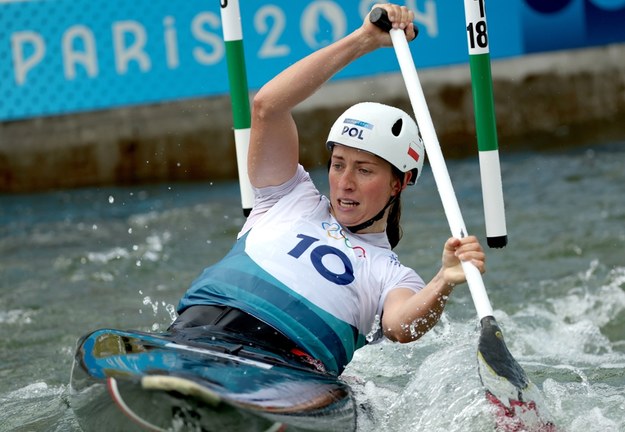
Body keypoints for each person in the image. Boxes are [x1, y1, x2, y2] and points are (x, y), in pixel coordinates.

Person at [171, 4, 486, 376]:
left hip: (287, 368)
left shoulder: (390, 274)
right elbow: (267, 106)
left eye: (364, 170)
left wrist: (444, 280)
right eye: (338, 165)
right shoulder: (286, 196)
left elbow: (401, 326)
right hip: (195, 332)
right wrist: (364, 39)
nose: (345, 181)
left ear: (398, 184)